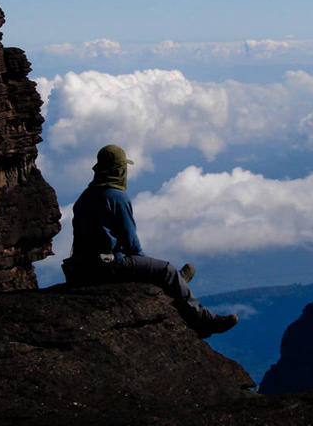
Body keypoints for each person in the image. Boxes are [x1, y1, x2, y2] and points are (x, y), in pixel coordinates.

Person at [62, 144, 238, 337]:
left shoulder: (86, 196)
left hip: (83, 268)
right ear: (120, 169)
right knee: (166, 269)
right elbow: (132, 243)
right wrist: (147, 268)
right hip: (109, 266)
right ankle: (202, 319)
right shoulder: (117, 196)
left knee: (161, 272)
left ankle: (175, 282)